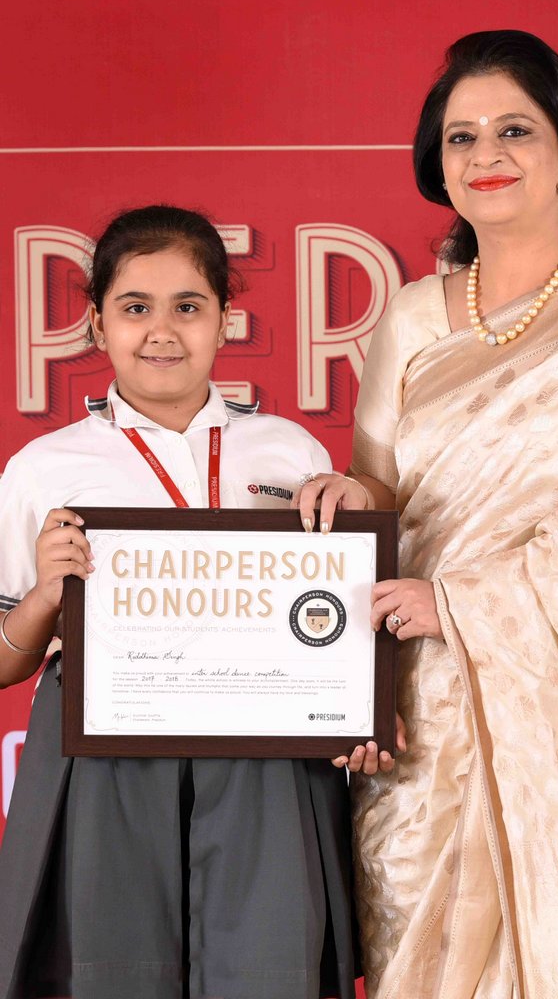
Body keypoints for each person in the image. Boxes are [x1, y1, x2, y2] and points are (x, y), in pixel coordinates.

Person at [298, 31, 558, 997]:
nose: (486, 156)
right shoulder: (413, 317)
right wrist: (348, 499)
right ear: (439, 167)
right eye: (461, 138)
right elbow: (384, 492)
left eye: (515, 130)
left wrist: (469, 601)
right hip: (421, 723)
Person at [0, 204, 362, 999]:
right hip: (104, 748)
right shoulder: (43, 467)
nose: (161, 331)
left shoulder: (290, 452)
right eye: (135, 307)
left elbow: (332, 621)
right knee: (113, 970)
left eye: (188, 306)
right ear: (97, 324)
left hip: (267, 749)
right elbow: (2, 659)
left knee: (268, 968)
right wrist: (44, 598)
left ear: (225, 320)